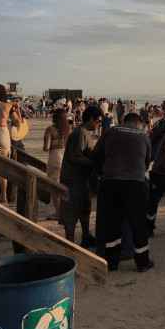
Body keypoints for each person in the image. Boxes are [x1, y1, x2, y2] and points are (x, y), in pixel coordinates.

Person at [91, 112, 153, 271]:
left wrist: (102, 174)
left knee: (112, 224)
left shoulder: (111, 132)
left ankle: (112, 262)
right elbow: (147, 162)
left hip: (110, 183)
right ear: (138, 122)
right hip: (135, 184)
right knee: (138, 224)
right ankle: (142, 263)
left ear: (124, 121)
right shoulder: (143, 135)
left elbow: (96, 155)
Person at [61, 106, 102, 247]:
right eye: (98, 121)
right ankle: (70, 243)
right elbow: (74, 157)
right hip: (73, 181)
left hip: (82, 180)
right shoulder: (80, 133)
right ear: (90, 119)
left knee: (85, 209)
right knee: (72, 213)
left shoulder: (85, 133)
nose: (98, 125)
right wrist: (93, 162)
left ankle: (86, 237)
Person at [44, 108, 70, 219]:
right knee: (64, 186)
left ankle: (58, 213)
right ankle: (65, 211)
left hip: (54, 158)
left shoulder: (50, 129)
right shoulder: (68, 130)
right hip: (65, 158)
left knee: (54, 187)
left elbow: (46, 147)